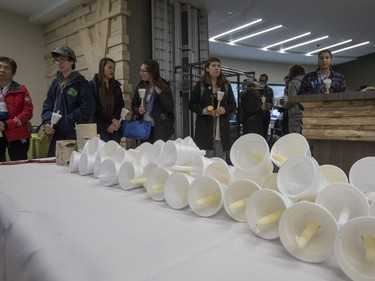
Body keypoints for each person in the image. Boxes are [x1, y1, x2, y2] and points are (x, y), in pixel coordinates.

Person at [41, 46, 95, 157]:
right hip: (56, 131)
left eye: (62, 60)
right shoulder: (55, 82)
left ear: (71, 61)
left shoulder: (81, 83)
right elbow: (48, 104)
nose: (59, 63)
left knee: (72, 162)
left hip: (73, 131)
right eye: (56, 60)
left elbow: (88, 107)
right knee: (53, 161)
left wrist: (69, 118)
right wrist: (47, 122)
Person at [188, 57, 236, 160]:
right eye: (213, 65)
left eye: (218, 66)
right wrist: (204, 111)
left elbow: (232, 104)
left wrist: (224, 109)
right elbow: (191, 104)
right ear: (207, 69)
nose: (217, 68)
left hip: (221, 130)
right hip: (204, 129)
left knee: (220, 161)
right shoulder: (200, 85)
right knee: (205, 159)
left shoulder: (226, 85)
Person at [131, 59, 175, 143]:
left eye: (143, 71)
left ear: (151, 72)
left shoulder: (163, 85)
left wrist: (161, 94)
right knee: (146, 153)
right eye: (141, 70)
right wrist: (138, 110)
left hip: (160, 127)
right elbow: (134, 104)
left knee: (158, 153)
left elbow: (170, 107)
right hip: (144, 127)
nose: (140, 73)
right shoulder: (140, 86)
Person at [0, 56, 33, 161]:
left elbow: (28, 112)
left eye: (6, 68)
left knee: (20, 165)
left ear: (13, 72)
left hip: (18, 133)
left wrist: (7, 124)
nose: (2, 70)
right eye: (0, 67)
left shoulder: (21, 90)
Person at [90, 58, 124, 143]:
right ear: (102, 67)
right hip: (99, 124)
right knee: (103, 152)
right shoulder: (93, 85)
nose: (112, 70)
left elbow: (120, 106)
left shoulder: (116, 86)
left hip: (114, 126)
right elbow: (94, 106)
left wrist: (114, 122)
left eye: (114, 68)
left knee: (115, 151)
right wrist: (111, 119)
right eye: (109, 67)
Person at [280, 64, 305, 134]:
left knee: (295, 138)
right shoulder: (307, 82)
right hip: (306, 113)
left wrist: (284, 104)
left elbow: (292, 101)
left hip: (295, 115)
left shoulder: (293, 83)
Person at [258, 73, 274, 139]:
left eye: (263, 81)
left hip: (266, 114)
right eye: (260, 80)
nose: (261, 82)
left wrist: (270, 105)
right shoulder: (256, 90)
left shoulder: (270, 91)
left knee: (264, 133)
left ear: (266, 81)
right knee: (258, 133)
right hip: (258, 114)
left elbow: (272, 103)